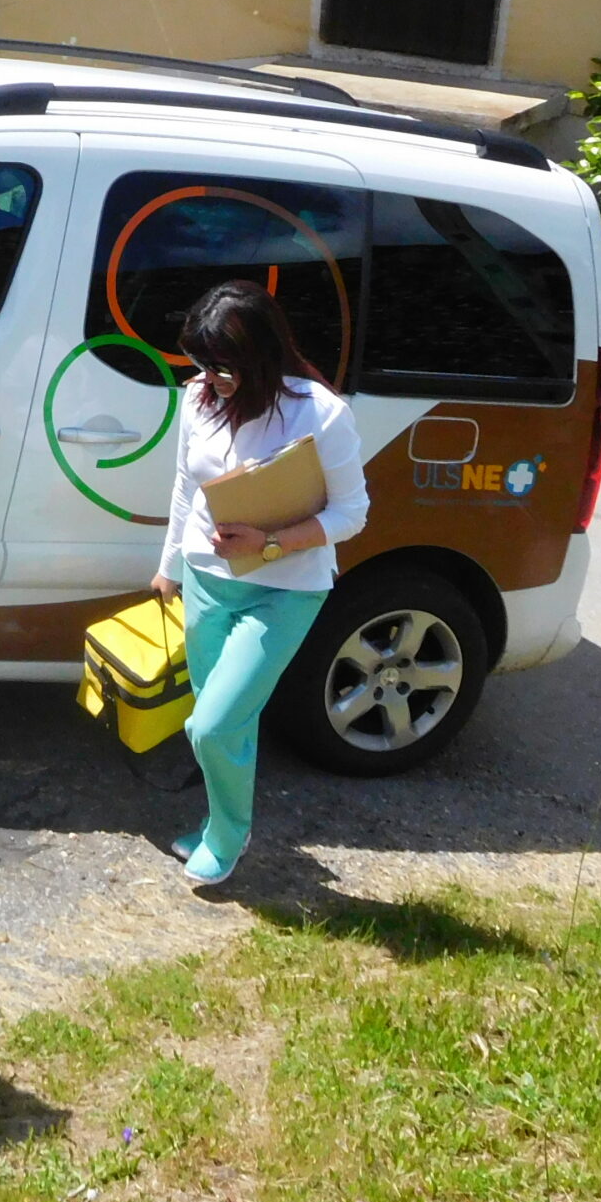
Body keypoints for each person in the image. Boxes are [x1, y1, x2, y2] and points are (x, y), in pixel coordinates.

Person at [151, 281, 371, 888]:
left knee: (212, 724)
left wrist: (269, 544)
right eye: (200, 362)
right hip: (204, 579)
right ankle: (221, 823)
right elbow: (184, 486)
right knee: (228, 720)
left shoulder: (321, 412)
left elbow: (353, 514)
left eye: (222, 365)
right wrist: (169, 565)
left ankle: (228, 835)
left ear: (262, 355)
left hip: (286, 590)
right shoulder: (198, 396)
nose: (208, 376)